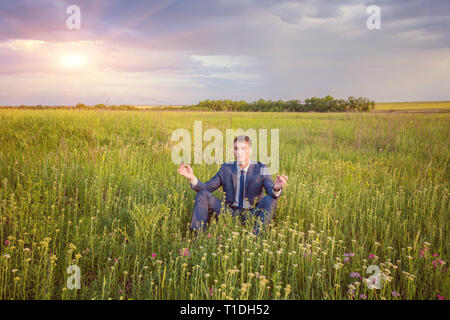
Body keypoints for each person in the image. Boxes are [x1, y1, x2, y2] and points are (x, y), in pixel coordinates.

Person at [177, 135, 288, 235]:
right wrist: (192, 177)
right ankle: (197, 236)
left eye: (243, 148)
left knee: (271, 199)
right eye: (236, 148)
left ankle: (256, 237)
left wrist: (276, 188)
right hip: (228, 212)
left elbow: (271, 192)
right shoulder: (226, 168)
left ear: (250, 150)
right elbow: (206, 188)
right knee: (203, 194)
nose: (239, 152)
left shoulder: (261, 168)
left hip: (252, 213)